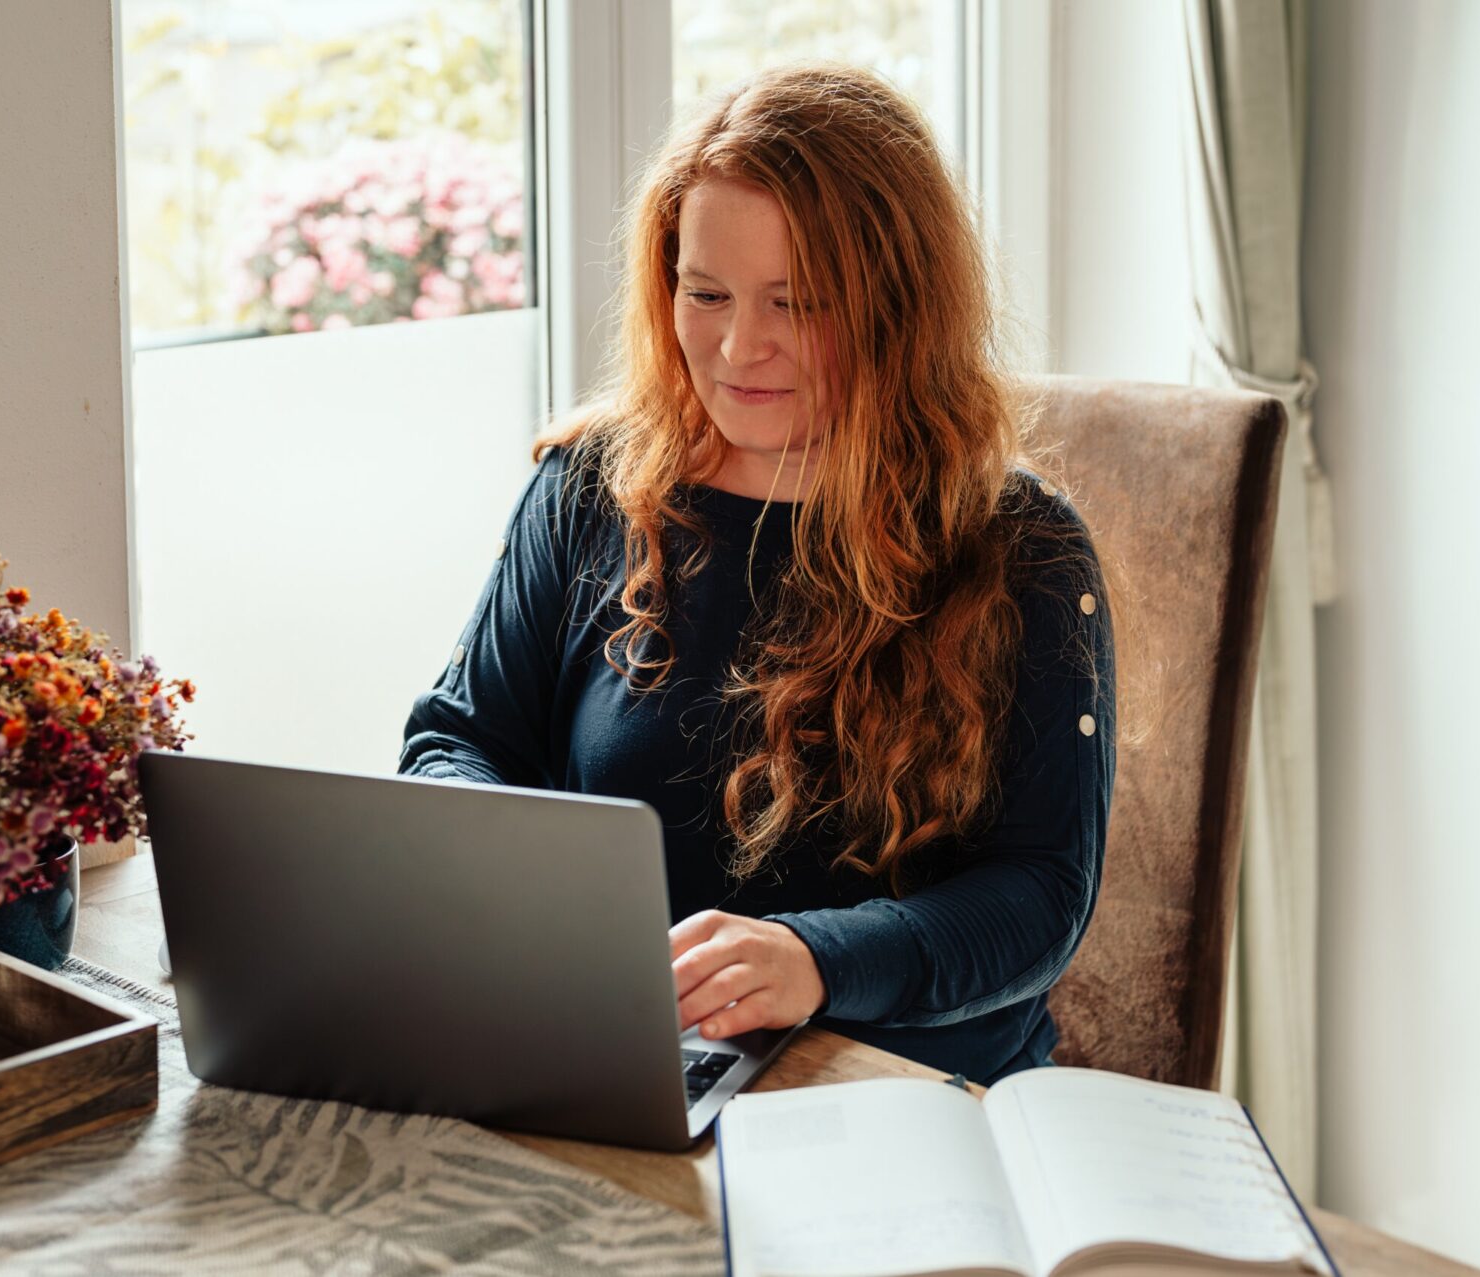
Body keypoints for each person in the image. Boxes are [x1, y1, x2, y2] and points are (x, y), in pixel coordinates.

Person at [399, 63, 1116, 1084]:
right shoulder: (589, 488)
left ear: (897, 306)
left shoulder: (1019, 545)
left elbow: (1042, 891)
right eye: (707, 292)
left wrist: (816, 959)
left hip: (900, 1084)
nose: (740, 345)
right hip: (632, 1055)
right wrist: (512, 881)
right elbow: (457, 739)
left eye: (799, 301)